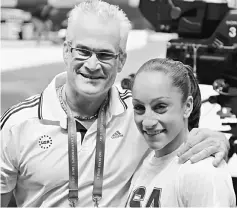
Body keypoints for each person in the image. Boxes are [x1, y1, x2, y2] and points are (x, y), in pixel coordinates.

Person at [0, 0, 230, 207]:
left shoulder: (138, 112)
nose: (92, 65)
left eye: (105, 55)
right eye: (82, 51)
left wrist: (217, 141)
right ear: (66, 52)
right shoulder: (18, 124)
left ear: (121, 61)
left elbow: (177, 126)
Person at [126, 58, 236, 207]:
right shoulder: (143, 161)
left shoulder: (203, 172)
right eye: (139, 107)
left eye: (160, 107)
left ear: (187, 106)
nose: (147, 122)